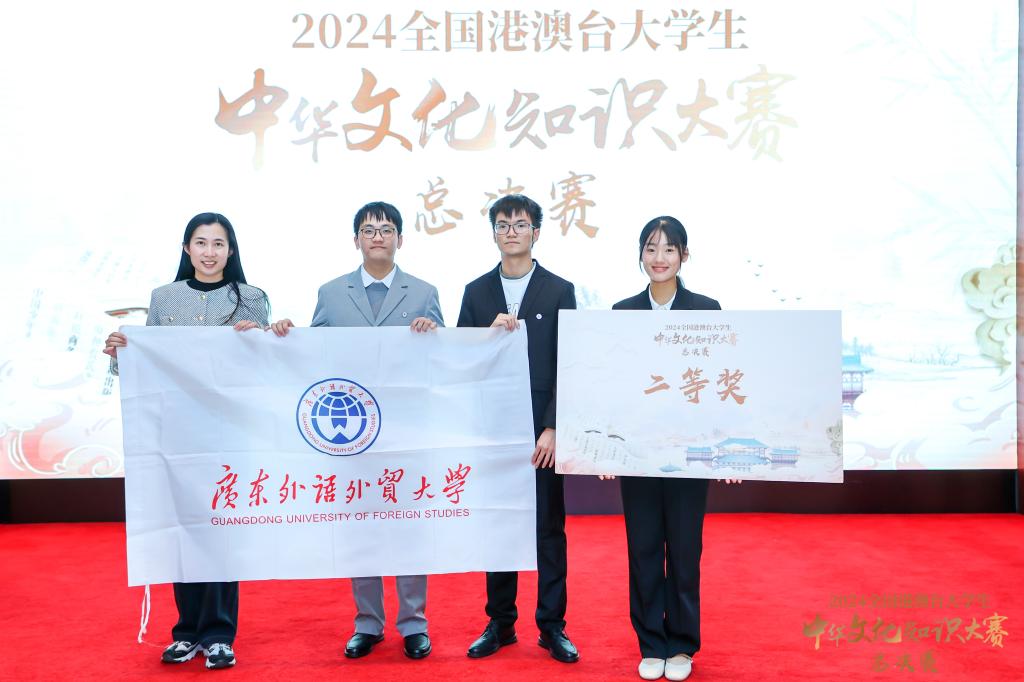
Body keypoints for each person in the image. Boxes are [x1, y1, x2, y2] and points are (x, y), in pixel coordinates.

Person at [269, 201, 441, 661]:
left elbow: (444, 358)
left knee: (408, 528)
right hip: (353, 432)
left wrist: (434, 331)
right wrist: (287, 334)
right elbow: (314, 352)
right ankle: (368, 623)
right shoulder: (331, 293)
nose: (378, 237)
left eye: (386, 230)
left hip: (407, 433)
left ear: (400, 239)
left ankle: (414, 624)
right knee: (361, 528)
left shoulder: (424, 293)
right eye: (369, 230)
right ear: (356, 240)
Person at [103, 212, 270, 670]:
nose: (209, 252)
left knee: (220, 533)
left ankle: (219, 634)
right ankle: (187, 632)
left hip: (227, 433)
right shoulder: (164, 298)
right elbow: (150, 365)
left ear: (230, 251)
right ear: (186, 248)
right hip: (175, 434)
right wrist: (120, 353)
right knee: (182, 530)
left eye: (218, 244)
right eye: (201, 242)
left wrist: (260, 342)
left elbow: (260, 370)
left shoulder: (251, 299)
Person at [610, 216, 739, 681]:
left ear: (685, 255)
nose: (659, 258)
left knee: (684, 550)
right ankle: (651, 642)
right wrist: (605, 448)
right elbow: (612, 385)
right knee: (643, 548)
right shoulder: (622, 312)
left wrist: (725, 447)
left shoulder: (706, 309)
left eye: (669, 249)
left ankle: (682, 644)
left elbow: (722, 382)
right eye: (651, 248)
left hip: (691, 454)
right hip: (638, 455)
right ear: (640, 255)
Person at [457, 194, 579, 664]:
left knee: (548, 528)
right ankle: (500, 623)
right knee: (499, 524)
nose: (511, 232)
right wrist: (485, 337)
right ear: (493, 233)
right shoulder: (476, 292)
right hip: (493, 430)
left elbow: (570, 362)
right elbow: (460, 360)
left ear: (536, 232)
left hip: (541, 432)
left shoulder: (559, 289)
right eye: (503, 224)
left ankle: (552, 626)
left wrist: (552, 426)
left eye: (520, 224)